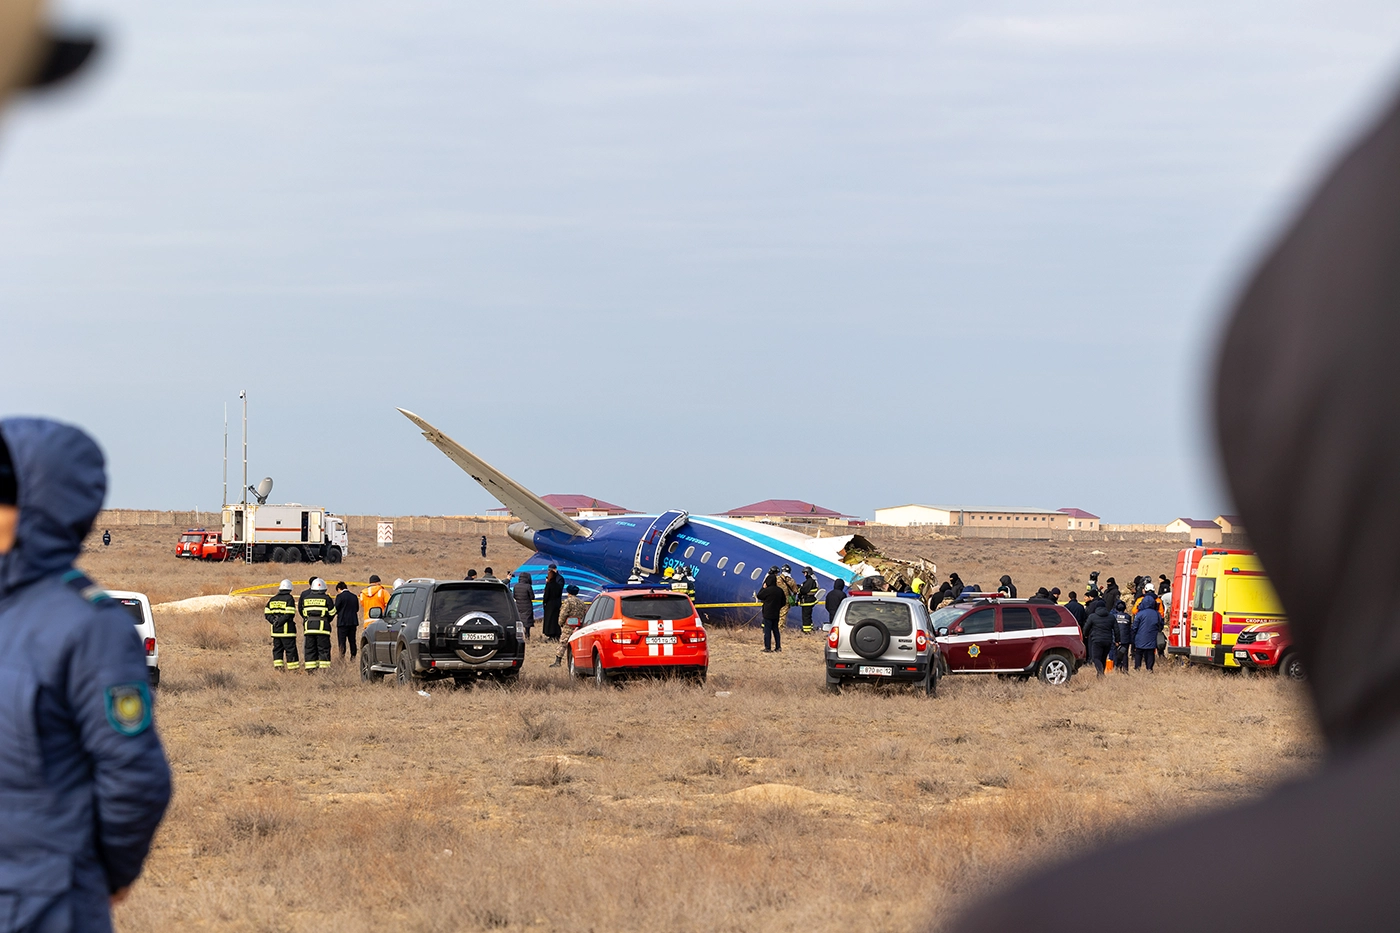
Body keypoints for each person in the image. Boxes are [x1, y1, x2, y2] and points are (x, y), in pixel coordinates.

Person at [0, 417, 172, 927]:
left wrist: (106, 874)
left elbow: (136, 776)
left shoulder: (89, 628)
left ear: (38, 507)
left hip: (45, 904)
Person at [298, 577, 335, 672]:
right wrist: (326, 620)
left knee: (310, 649)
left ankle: (311, 671)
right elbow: (332, 612)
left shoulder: (306, 599)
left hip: (309, 628)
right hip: (323, 628)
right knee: (323, 649)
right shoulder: (327, 598)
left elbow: (302, 612)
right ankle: (324, 671)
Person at [265, 579, 300, 671]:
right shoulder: (289, 598)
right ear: (289, 589)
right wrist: (280, 621)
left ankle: (279, 669)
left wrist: (274, 621)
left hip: (276, 631)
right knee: (290, 650)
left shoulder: (273, 599)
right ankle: (293, 670)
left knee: (277, 650)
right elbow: (290, 613)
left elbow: (267, 613)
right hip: (287, 631)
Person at [550, 585, 589, 666]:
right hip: (578, 626)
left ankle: (558, 661)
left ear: (568, 592)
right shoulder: (581, 603)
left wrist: (560, 623)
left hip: (568, 626)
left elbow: (563, 614)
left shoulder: (568, 602)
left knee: (563, 643)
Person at [1082, 600, 1115, 676]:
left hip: (1096, 640)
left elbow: (1086, 627)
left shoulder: (1092, 617)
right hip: (1108, 640)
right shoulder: (1111, 617)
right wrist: (1117, 640)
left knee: (1096, 658)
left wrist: (1086, 635)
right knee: (1103, 658)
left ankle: (1100, 673)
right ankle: (1100, 675)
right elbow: (1116, 629)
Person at [1131, 598, 1162, 671]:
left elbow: (1135, 626)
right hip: (1152, 637)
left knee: (1138, 653)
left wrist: (1133, 636)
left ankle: (1137, 668)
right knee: (1150, 654)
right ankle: (1149, 668)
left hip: (1140, 637)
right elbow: (1161, 625)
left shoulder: (1139, 614)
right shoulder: (1157, 614)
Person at [757, 571, 786, 652]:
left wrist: (763, 587)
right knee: (776, 630)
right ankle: (778, 647)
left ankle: (768, 647)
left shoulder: (767, 590)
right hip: (776, 613)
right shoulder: (779, 590)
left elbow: (759, 596)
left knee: (767, 631)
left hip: (767, 613)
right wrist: (778, 607)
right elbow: (784, 602)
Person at [334, 581, 359, 660]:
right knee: (352, 640)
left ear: (339, 589)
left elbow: (336, 609)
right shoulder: (354, 596)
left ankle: (342, 657)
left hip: (342, 622)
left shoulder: (340, 597)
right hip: (353, 622)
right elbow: (357, 609)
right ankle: (353, 656)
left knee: (342, 641)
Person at [541, 564, 564, 641]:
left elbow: (548, 594)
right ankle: (553, 634)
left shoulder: (559, 579)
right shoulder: (554, 582)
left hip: (552, 603)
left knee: (552, 619)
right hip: (555, 603)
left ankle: (554, 634)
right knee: (553, 619)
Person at [1112, 600, 1132, 672]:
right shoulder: (1128, 617)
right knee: (1125, 654)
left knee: (1115, 654)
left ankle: (1116, 667)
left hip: (1115, 639)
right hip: (1125, 639)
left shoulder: (1113, 616)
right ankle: (1125, 669)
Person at [513, 571, 535, 639]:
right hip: (527, 606)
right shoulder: (528, 586)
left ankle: (519, 635)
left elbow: (514, 596)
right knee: (527, 621)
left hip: (518, 606)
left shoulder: (516, 586)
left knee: (519, 620)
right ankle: (527, 634)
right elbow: (532, 597)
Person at [776, 564, 799, 629]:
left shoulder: (777, 578)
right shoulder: (791, 580)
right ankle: (780, 628)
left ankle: (773, 627)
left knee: (775, 613)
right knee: (782, 616)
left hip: (776, 599)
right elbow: (795, 591)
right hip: (786, 601)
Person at [798, 567, 819, 633]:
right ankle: (810, 627)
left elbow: (803, 590)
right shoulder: (812, 581)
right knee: (809, 616)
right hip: (810, 601)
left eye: (805, 573)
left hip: (807, 601)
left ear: (808, 573)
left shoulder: (810, 581)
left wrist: (799, 589)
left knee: (806, 616)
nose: (804, 575)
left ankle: (806, 630)